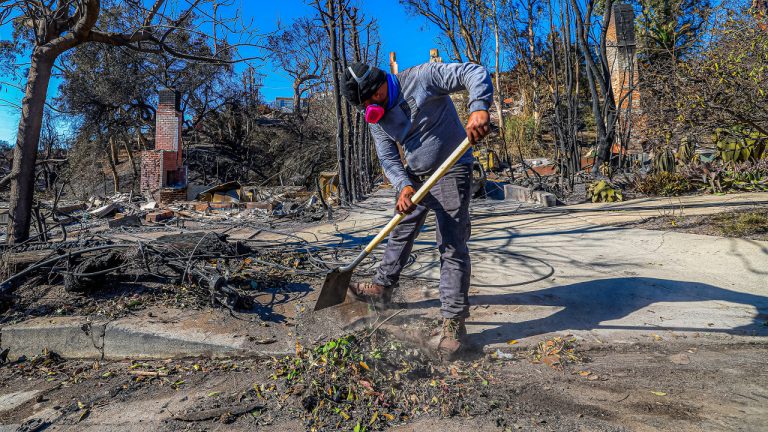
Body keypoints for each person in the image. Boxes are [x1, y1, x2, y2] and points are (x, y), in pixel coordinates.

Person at [339, 61, 493, 358]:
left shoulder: (422, 78)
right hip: (416, 177)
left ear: (383, 80)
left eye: (375, 97)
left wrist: (478, 107)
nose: (372, 106)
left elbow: (473, 71)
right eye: (365, 105)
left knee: (451, 244)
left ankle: (453, 324)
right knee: (401, 229)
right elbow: (388, 157)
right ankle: (383, 289)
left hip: (452, 169)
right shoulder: (375, 117)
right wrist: (403, 186)